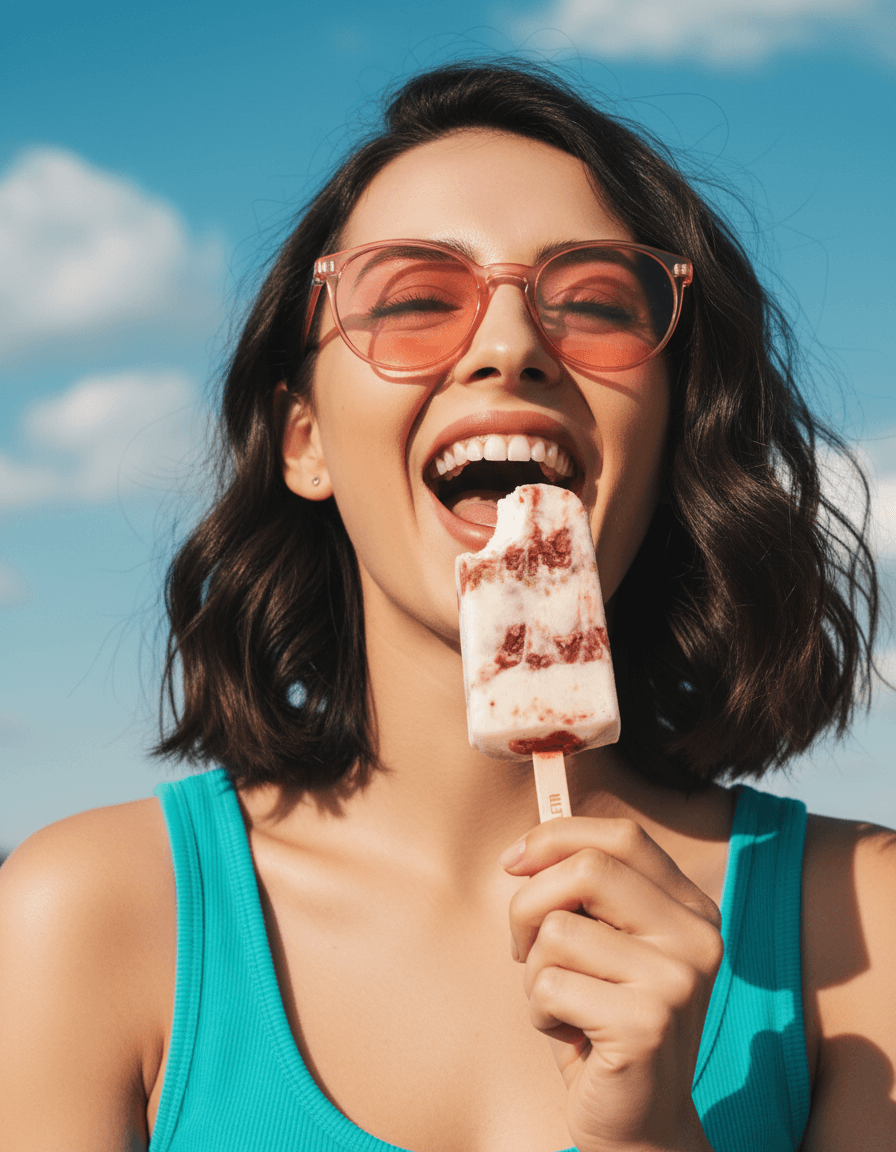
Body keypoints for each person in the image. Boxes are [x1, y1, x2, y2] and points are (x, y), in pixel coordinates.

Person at [0, 60, 893, 1152]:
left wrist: (652, 1136)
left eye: (596, 303)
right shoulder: (87, 917)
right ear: (305, 439)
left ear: (671, 434)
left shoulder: (861, 927)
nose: (510, 344)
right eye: (416, 299)